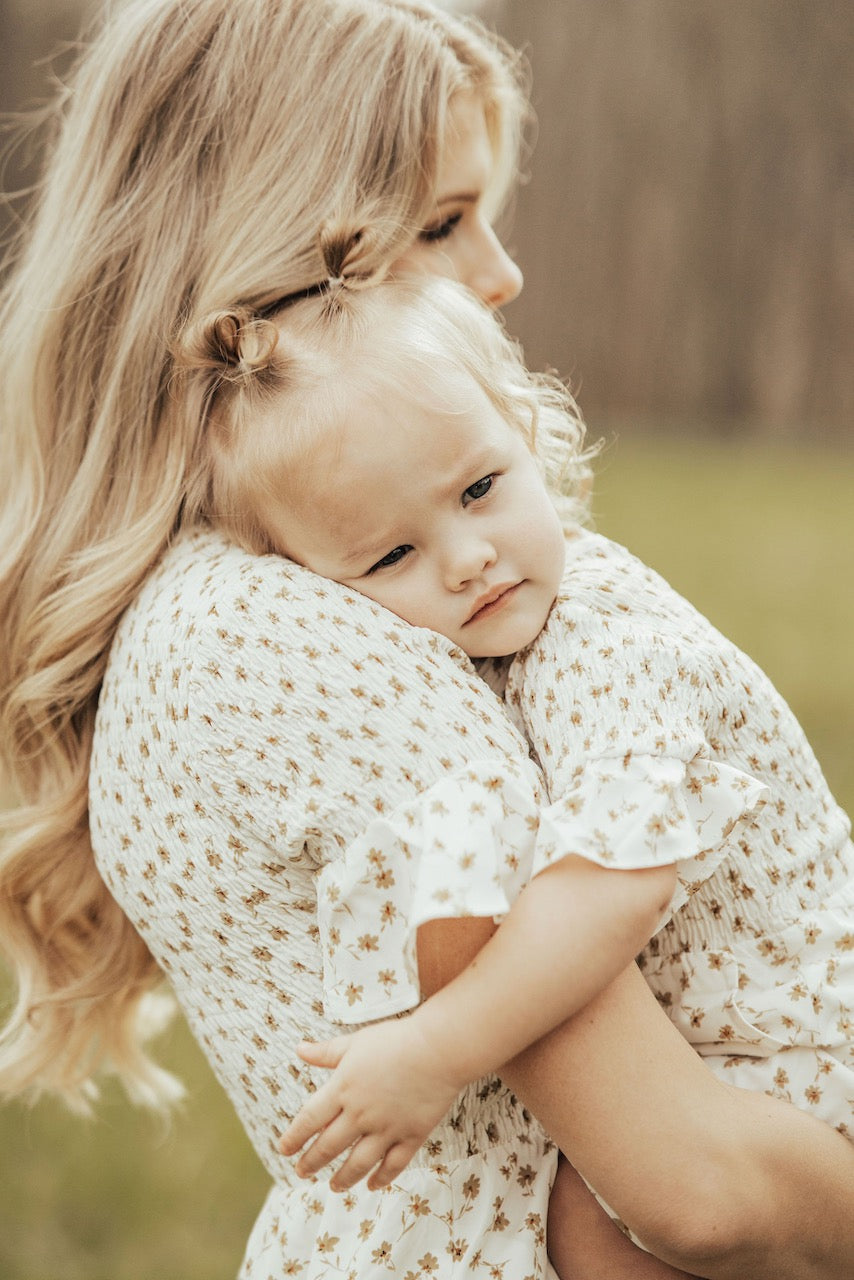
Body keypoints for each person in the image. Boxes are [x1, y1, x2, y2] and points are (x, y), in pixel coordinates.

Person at [1, 1, 853, 1278]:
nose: (501, 273)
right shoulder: (278, 640)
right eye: (444, 222)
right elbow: (696, 1185)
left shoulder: (281, 581)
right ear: (281, 256)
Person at [177, 261, 854, 1226]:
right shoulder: (467, 659)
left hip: (816, 1052)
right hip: (739, 1062)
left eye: (481, 488)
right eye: (391, 556)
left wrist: (435, 1053)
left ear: (529, 431)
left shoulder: (604, 641)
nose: (465, 559)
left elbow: (613, 888)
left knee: (601, 1222)